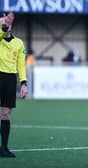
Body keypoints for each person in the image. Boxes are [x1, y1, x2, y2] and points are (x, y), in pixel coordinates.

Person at [0, 13, 28, 158]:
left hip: (10, 79)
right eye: (4, 21)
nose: (7, 24)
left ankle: (4, 148)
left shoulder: (19, 43)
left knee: (5, 114)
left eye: (8, 21)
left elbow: (21, 64)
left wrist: (23, 83)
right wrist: (3, 27)